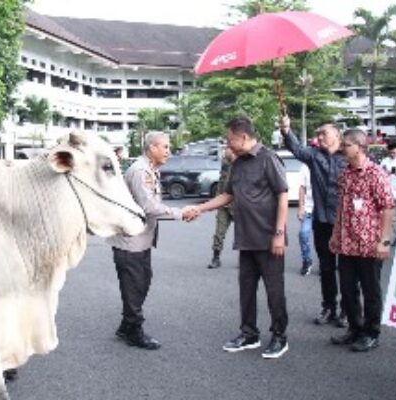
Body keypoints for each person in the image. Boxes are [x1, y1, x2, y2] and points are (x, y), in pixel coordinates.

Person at [187, 117, 289, 359]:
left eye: (230, 138)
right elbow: (227, 196)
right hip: (246, 237)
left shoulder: (268, 158)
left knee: (274, 291)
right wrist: (199, 208)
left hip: (268, 237)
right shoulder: (239, 163)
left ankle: (279, 337)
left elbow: (283, 195)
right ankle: (249, 334)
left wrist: (279, 234)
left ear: (243, 136)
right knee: (247, 289)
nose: (228, 143)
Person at [107, 132, 194, 350]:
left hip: (141, 240)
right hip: (130, 242)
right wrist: (180, 212)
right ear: (151, 148)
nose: (168, 151)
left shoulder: (150, 170)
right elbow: (149, 207)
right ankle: (134, 331)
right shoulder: (140, 171)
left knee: (141, 283)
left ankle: (126, 325)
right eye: (164, 147)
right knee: (135, 286)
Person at [328, 129, 395, 352]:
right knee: (347, 289)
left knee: (371, 290)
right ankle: (354, 329)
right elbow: (342, 208)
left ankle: (371, 332)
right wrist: (335, 235)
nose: (342, 149)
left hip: (369, 244)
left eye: (346, 145)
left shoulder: (376, 173)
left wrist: (384, 241)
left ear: (359, 146)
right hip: (347, 243)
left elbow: (387, 207)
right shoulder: (345, 174)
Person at [280, 117, 348, 327]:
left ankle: (348, 309)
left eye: (323, 134)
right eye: (317, 134)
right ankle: (329, 307)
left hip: (346, 225)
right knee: (326, 268)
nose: (319, 138)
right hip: (322, 222)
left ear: (337, 136)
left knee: (347, 270)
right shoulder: (314, 156)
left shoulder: (348, 157)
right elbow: (297, 149)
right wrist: (286, 130)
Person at [207, 146, 236, 269]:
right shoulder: (225, 162)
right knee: (219, 232)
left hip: (238, 204)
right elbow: (221, 180)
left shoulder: (242, 163)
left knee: (242, 233)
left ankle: (245, 259)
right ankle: (216, 258)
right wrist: (216, 199)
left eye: (227, 149)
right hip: (223, 204)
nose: (224, 151)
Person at [297, 163, 314, 275]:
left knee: (325, 238)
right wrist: (301, 207)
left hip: (325, 209)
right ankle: (307, 260)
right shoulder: (305, 167)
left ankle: (326, 263)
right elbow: (302, 188)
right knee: (303, 233)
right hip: (308, 208)